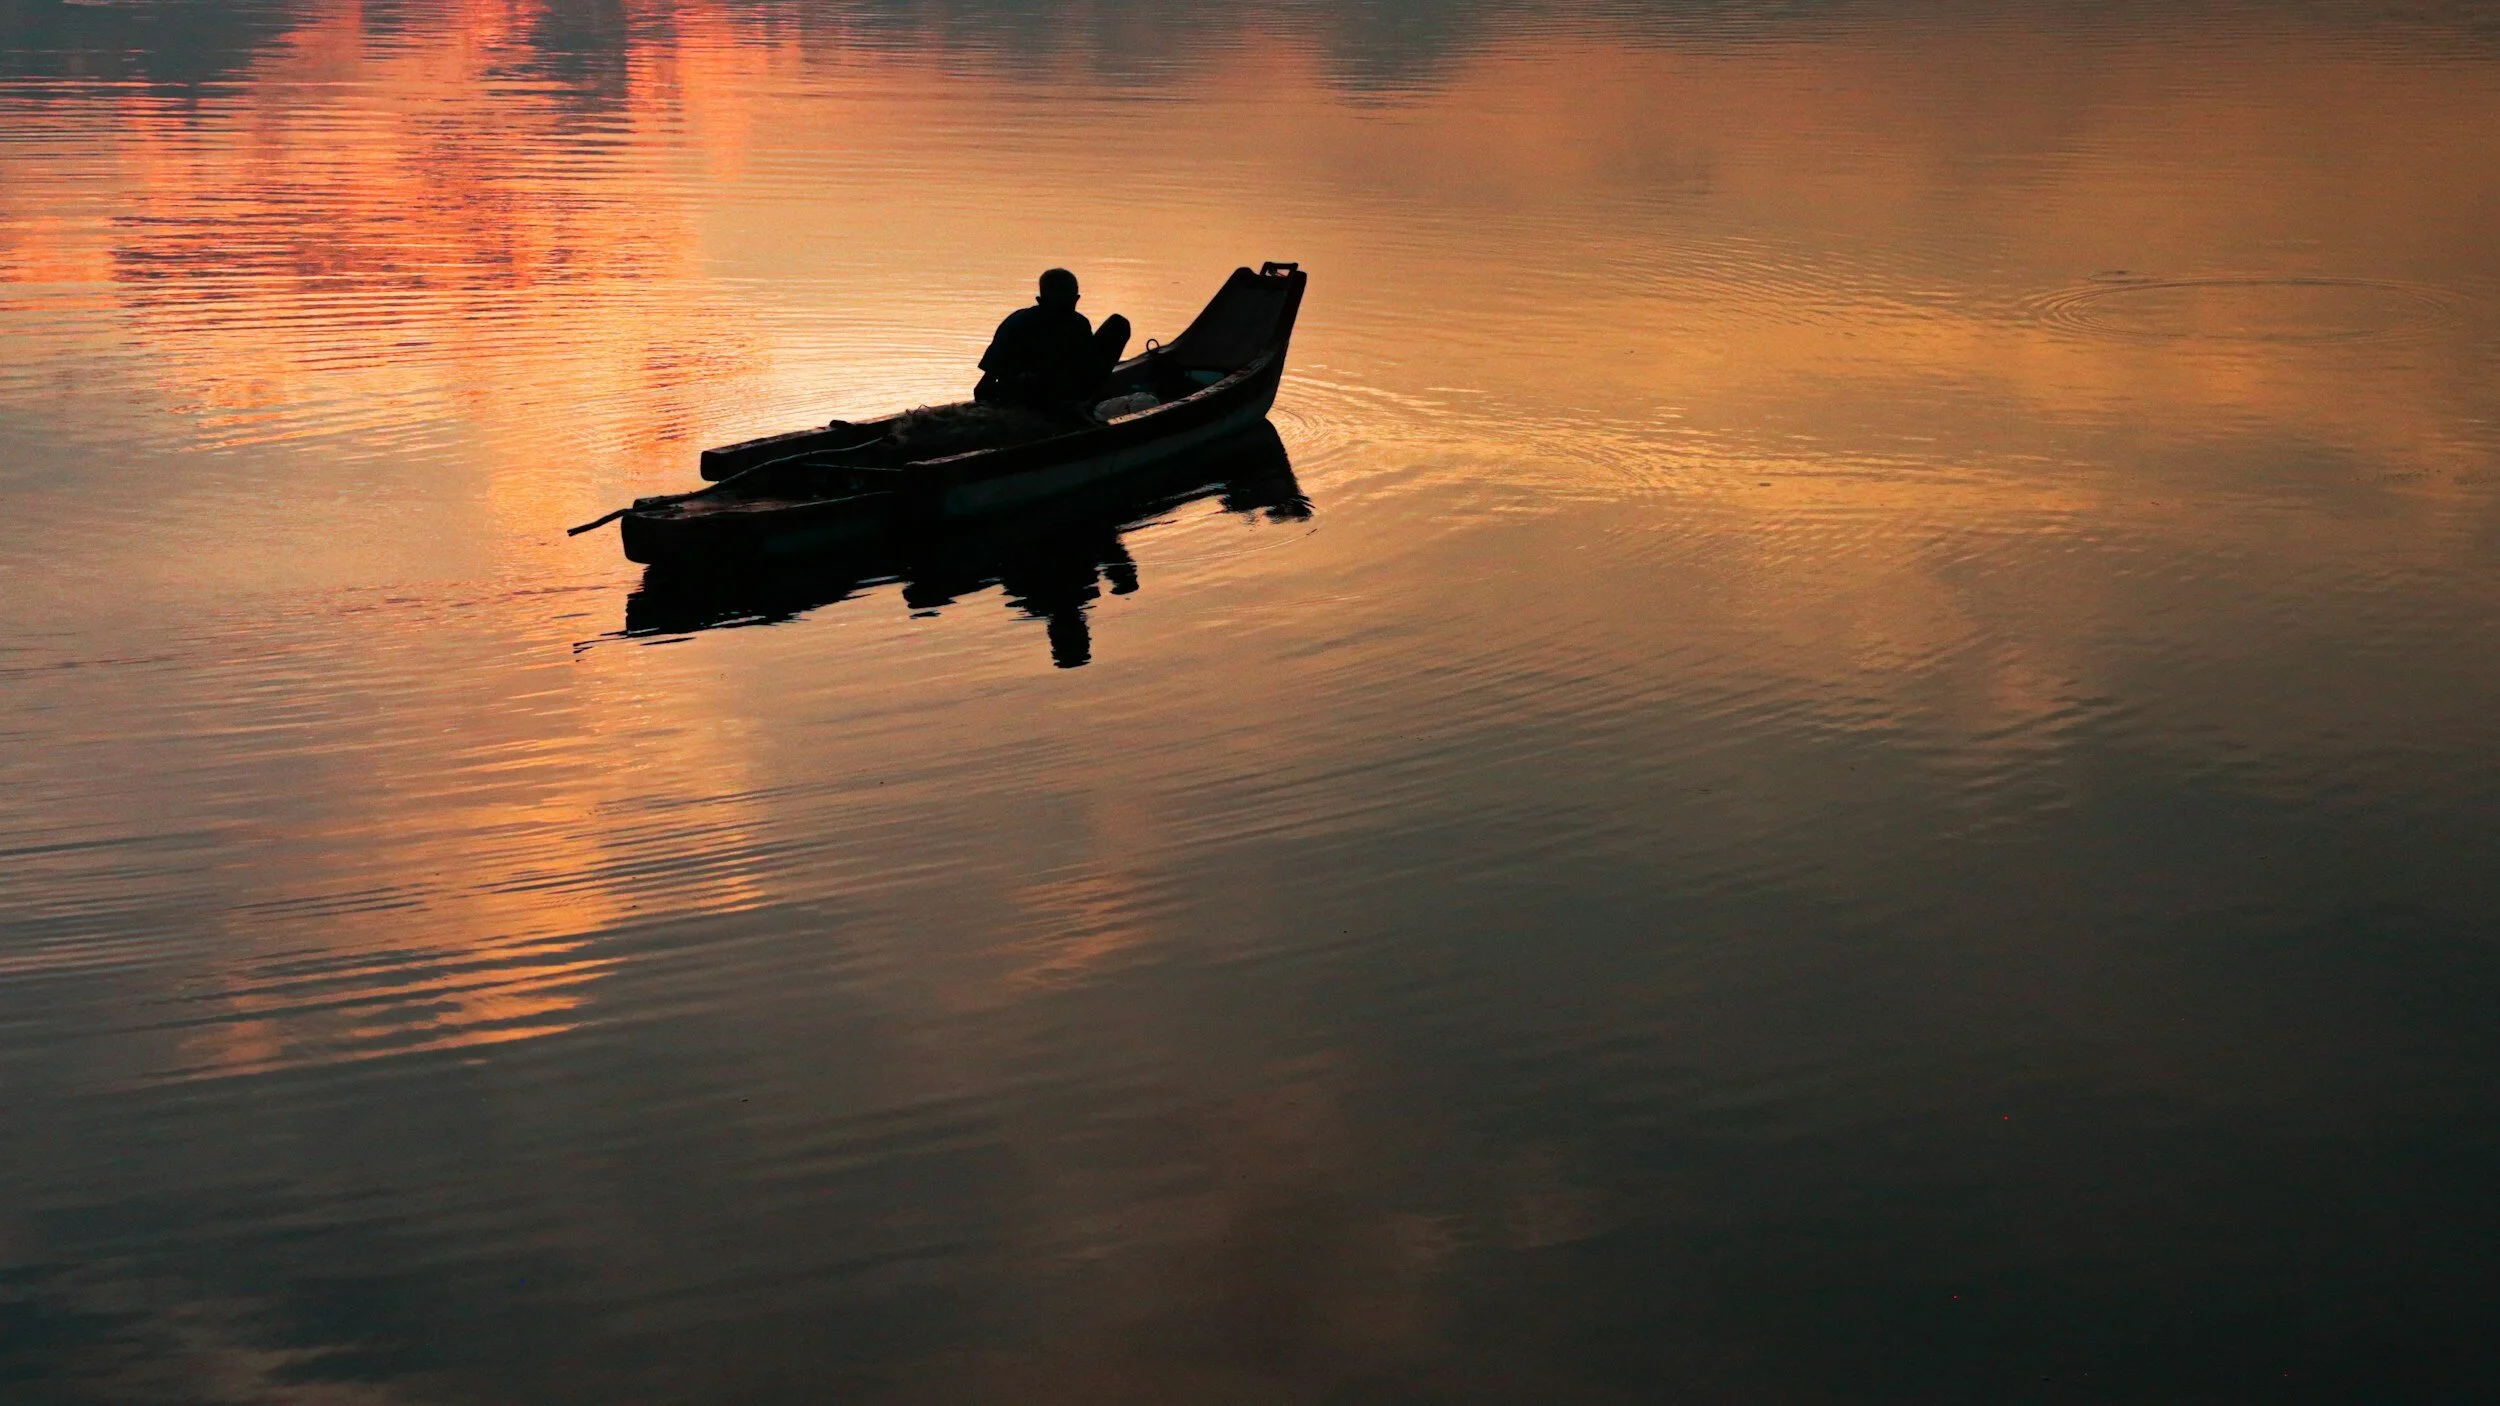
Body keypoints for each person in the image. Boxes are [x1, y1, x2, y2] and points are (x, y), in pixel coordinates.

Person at [974, 268, 1130, 415]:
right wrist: (1017, 385)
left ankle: (1082, 405)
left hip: (1069, 393)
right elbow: (982, 389)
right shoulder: (1017, 325)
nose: (1062, 315)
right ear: (1040, 301)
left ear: (1076, 300)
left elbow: (1087, 369)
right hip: (1026, 401)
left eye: (1068, 306)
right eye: (1057, 307)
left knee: (1118, 324)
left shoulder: (1079, 324)